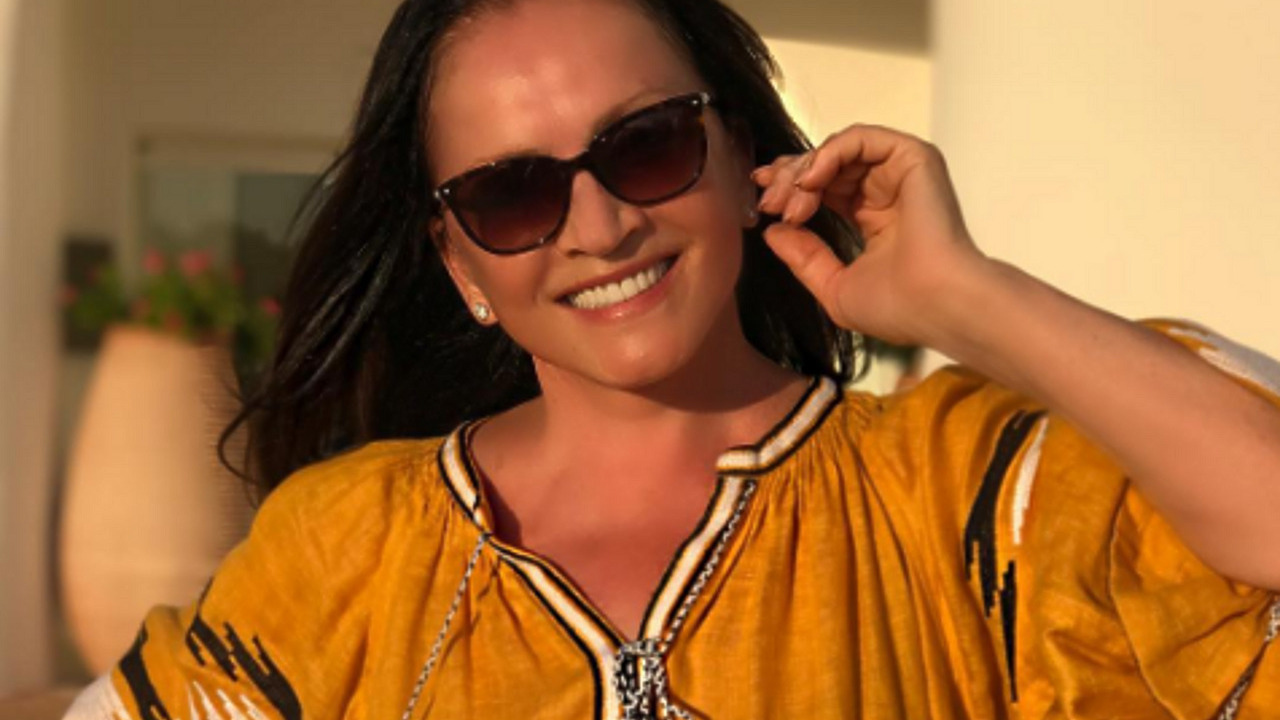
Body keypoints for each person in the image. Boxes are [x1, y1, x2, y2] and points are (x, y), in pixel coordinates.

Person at [66, 0, 1280, 718]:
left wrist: (966, 298)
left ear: (738, 151)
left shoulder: (958, 489)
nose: (598, 227)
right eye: (511, 193)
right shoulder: (346, 550)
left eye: (644, 145)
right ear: (457, 261)